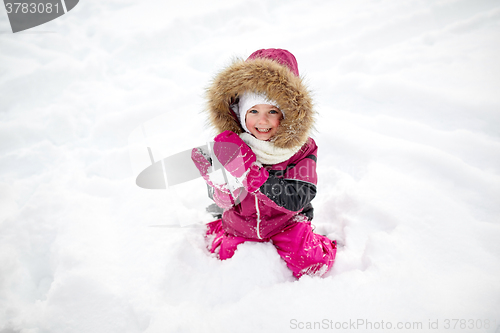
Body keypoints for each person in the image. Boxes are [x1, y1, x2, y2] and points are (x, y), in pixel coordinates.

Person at [191, 48, 336, 278]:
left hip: (287, 224)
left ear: (287, 115)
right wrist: (219, 182)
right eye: (254, 110)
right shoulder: (231, 146)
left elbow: (298, 197)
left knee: (310, 264)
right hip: (240, 223)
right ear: (240, 114)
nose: (262, 120)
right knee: (225, 263)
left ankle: (324, 244)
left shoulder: (301, 149)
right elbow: (224, 201)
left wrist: (253, 175)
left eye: (273, 111)